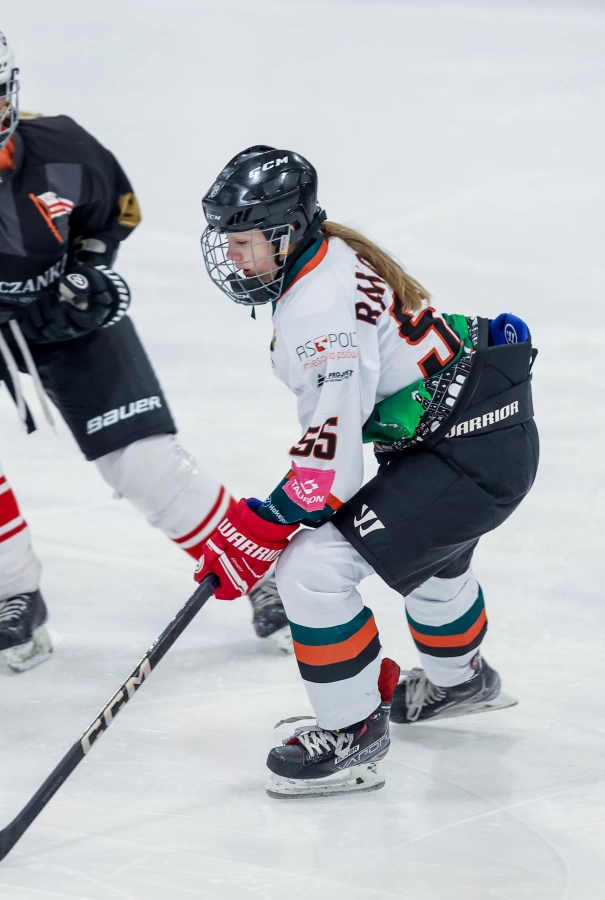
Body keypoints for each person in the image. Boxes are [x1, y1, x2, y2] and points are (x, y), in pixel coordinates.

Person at [0, 20, 286, 671]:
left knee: (145, 462)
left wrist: (88, 269)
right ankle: (13, 595)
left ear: (10, 93)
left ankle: (262, 571)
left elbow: (115, 215)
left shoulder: (67, 148)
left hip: (57, 305)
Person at [193, 146, 539, 798]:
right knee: (434, 555)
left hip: (465, 451)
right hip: (482, 428)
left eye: (242, 242)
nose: (232, 257)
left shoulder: (316, 308)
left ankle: (352, 733)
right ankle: (460, 681)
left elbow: (329, 472)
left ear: (286, 232)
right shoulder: (328, 252)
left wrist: (264, 525)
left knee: (312, 570)